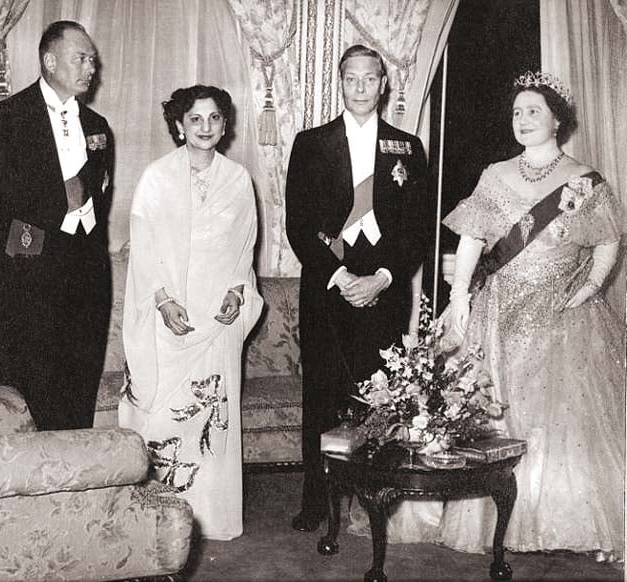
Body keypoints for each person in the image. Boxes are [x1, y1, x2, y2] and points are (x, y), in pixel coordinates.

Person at [438, 72, 625, 562]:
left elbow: (608, 239)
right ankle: (494, 517)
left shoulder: (584, 179)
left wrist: (589, 288)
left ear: (557, 119)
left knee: (561, 420)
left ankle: (561, 517)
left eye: (534, 111)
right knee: (499, 410)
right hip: (499, 308)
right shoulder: (494, 174)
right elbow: (473, 239)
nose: (523, 120)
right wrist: (460, 299)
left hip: (562, 314)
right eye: (517, 112)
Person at [285, 44, 431, 531]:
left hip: (384, 289)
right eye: (352, 79)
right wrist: (342, 276)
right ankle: (316, 499)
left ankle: (376, 500)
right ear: (341, 82)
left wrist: (383, 278)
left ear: (384, 84)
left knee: (380, 396)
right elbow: (299, 225)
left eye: (371, 79)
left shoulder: (407, 147)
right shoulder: (310, 143)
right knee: (323, 397)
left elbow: (416, 229)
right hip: (329, 286)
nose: (362, 88)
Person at [0, 21, 114, 430]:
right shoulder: (4, 119)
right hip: (24, 277)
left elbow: (98, 199)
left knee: (77, 390)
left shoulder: (98, 126)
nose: (90, 67)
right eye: (81, 58)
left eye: (93, 60)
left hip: (86, 279)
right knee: (22, 399)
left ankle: (74, 486)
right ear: (50, 60)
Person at [118, 85, 263, 540]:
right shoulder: (156, 178)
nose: (205, 128)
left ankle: (211, 516)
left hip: (217, 320)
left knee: (210, 421)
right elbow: (143, 248)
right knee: (163, 415)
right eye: (195, 119)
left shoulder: (238, 179)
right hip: (169, 315)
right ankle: (158, 518)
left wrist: (237, 294)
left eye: (214, 119)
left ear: (225, 124)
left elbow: (245, 248)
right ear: (179, 125)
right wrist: (161, 300)